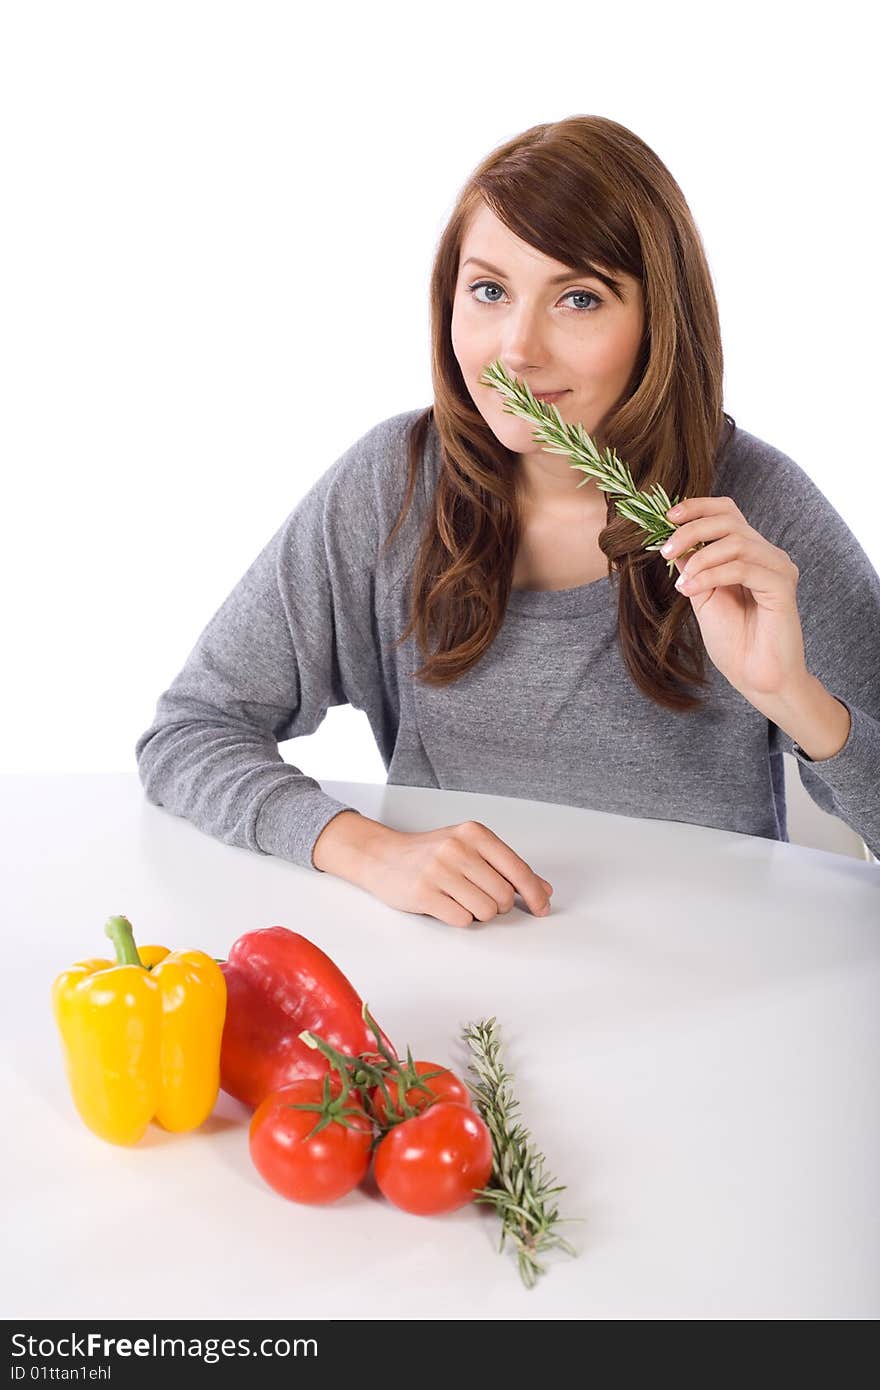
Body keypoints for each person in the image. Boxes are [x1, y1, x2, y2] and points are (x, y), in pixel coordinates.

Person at [135, 115, 880, 927]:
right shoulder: (392, 486)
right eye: (489, 291)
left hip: (709, 980)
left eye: (579, 298)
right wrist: (364, 847)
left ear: (658, 324)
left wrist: (796, 698)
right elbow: (190, 732)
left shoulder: (755, 513)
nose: (516, 351)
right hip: (458, 976)